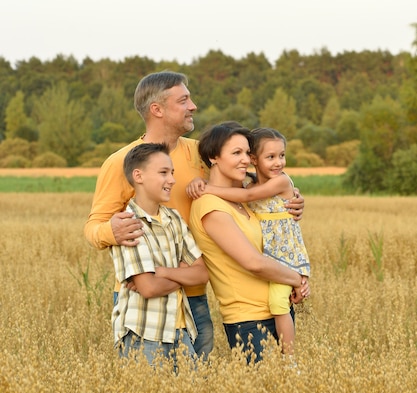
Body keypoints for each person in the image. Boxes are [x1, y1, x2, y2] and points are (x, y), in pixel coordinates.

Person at [83, 71, 306, 360]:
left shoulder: (201, 154)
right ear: (157, 109)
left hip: (195, 290)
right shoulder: (122, 162)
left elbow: (250, 191)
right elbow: (93, 227)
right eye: (184, 99)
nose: (193, 106)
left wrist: (292, 198)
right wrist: (111, 231)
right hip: (143, 291)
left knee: (195, 377)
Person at [188, 123, 310, 363]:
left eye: (247, 153)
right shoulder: (210, 205)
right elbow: (253, 262)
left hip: (277, 308)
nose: (245, 160)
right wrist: (297, 279)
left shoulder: (244, 198)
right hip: (249, 320)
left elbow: (272, 215)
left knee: (286, 392)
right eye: (236, 153)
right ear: (214, 157)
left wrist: (295, 201)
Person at [111, 142, 209, 370]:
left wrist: (162, 272)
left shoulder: (173, 218)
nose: (172, 180)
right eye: (164, 172)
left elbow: (203, 274)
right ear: (139, 176)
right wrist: (183, 272)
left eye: (172, 172)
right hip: (143, 334)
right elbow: (149, 289)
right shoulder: (128, 224)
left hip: (181, 331)